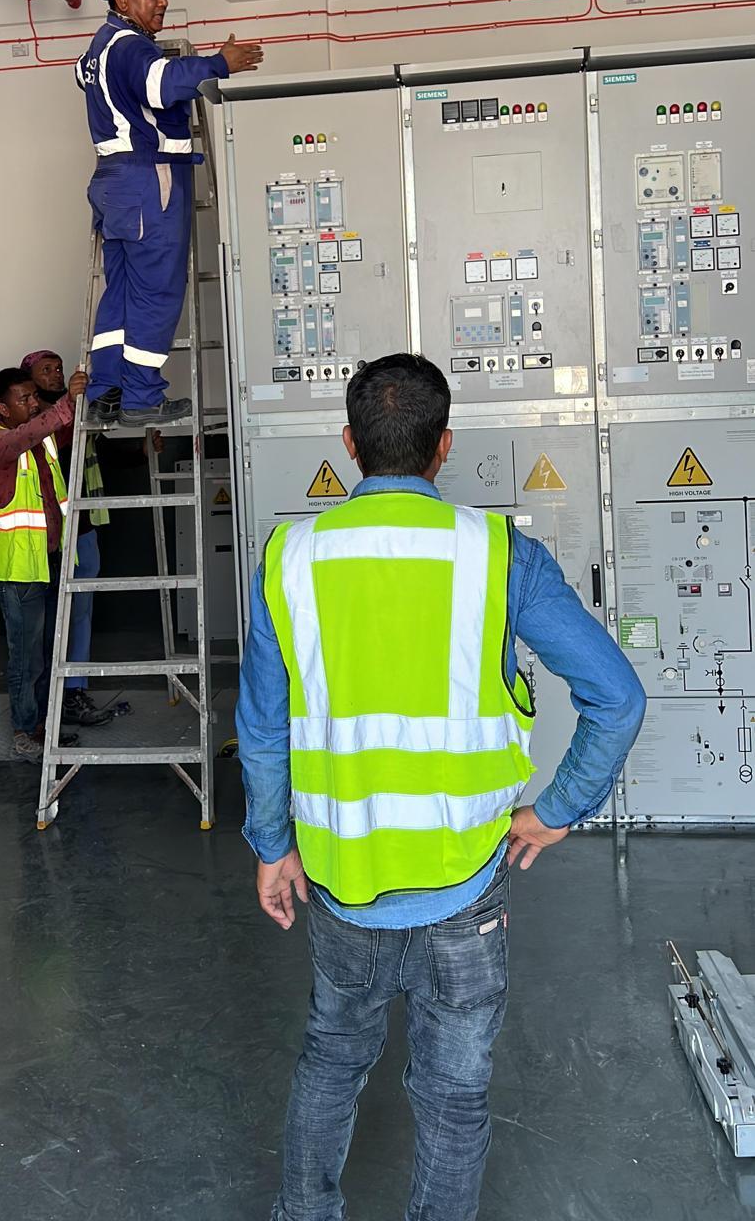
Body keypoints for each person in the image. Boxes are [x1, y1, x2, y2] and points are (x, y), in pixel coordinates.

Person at [236, 352, 646, 1221]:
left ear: (349, 444)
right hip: (467, 877)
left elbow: (264, 727)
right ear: (444, 445)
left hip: (341, 876)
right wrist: (557, 811)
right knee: (454, 1094)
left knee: (331, 1061)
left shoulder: (289, 557)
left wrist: (272, 845)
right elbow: (617, 696)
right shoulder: (500, 555)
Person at [76, 0, 264, 429]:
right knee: (156, 292)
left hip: (113, 182)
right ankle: (141, 397)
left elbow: (87, 77)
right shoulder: (131, 46)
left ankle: (107, 391)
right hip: (147, 179)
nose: (162, 1)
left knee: (121, 292)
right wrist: (218, 63)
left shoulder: (97, 50)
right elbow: (160, 85)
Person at [0, 365, 87, 762]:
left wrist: (79, 401)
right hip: (19, 572)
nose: (32, 403)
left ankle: (45, 727)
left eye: (33, 396)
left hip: (50, 562)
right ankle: (25, 731)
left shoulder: (43, 444)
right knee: (27, 659)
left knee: (49, 652)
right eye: (22, 399)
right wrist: (66, 402)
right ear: (2, 409)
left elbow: (64, 429)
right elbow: (34, 430)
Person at [19, 349, 114, 729]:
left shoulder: (74, 408)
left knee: (80, 611)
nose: (55, 374)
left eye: (58, 368)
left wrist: (141, 452)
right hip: (48, 534)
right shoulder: (32, 419)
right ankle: (47, 700)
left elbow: (94, 452)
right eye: (46, 370)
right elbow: (53, 441)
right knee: (48, 617)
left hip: (83, 525)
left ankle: (73, 690)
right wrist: (70, 403)